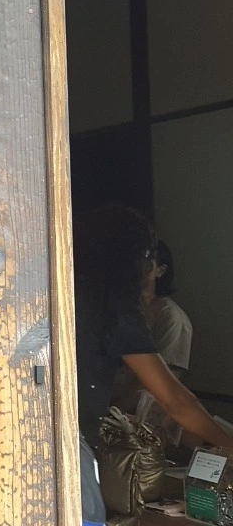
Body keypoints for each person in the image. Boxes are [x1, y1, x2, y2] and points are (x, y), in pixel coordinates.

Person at [74, 204, 233, 525]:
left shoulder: (63, 293)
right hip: (67, 443)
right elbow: (174, 399)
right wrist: (228, 444)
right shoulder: (113, 308)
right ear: (137, 261)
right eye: (149, 256)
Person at [146, 240, 193, 378]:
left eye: (145, 260)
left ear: (160, 270)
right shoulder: (119, 309)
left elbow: (164, 379)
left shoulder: (171, 317)